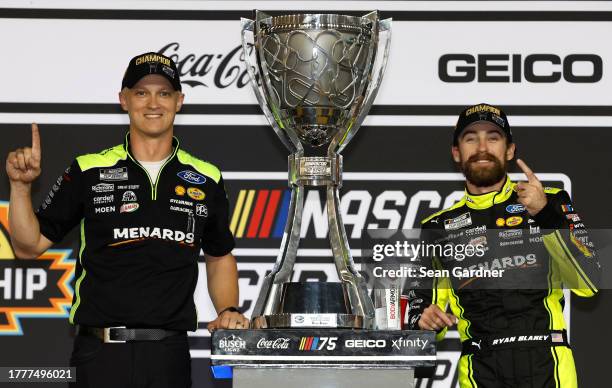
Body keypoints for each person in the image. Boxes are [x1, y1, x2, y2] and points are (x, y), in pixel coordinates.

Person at [5, 52, 249, 388]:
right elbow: (28, 246)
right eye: (141, 92)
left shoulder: (206, 177)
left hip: (169, 355)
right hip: (99, 354)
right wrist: (20, 187)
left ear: (179, 101)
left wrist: (228, 310)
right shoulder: (88, 170)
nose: (153, 103)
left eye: (164, 93)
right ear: (123, 100)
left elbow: (219, 256)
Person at [405, 103, 600, 387]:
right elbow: (419, 315)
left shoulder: (551, 200)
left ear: (510, 150)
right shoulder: (437, 227)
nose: (482, 147)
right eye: (471, 138)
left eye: (493, 137)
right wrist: (422, 320)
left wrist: (544, 213)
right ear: (456, 153)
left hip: (547, 362)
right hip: (479, 368)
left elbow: (589, 282)